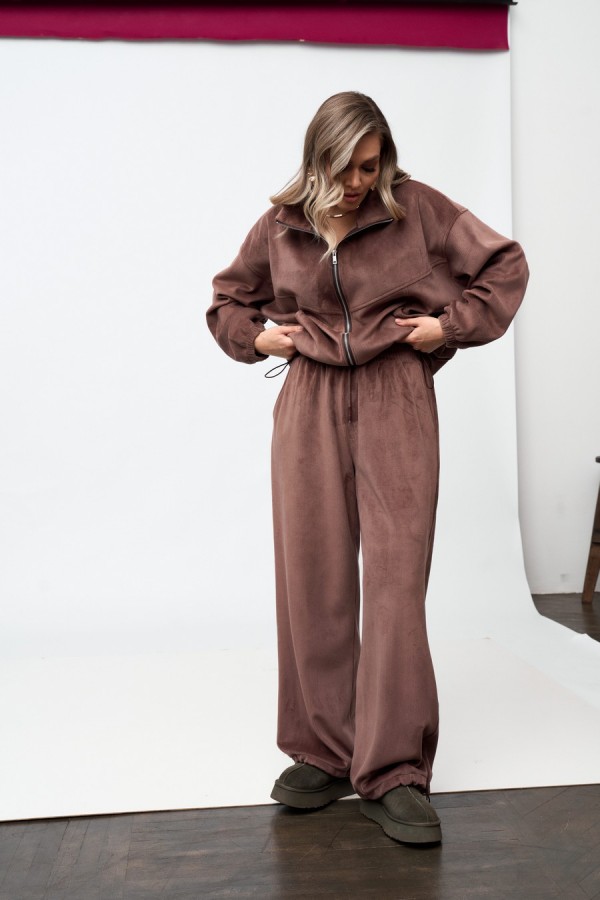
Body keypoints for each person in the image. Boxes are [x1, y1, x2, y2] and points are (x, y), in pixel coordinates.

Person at [206, 91, 528, 845]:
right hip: (309, 401)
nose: (358, 183)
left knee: (394, 582)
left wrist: (447, 326)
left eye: (370, 166)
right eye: (345, 167)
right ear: (316, 160)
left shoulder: (417, 209)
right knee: (313, 577)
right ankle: (324, 751)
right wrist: (259, 339)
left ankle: (394, 770)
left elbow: (504, 264)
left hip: (396, 395)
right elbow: (226, 303)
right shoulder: (282, 224)